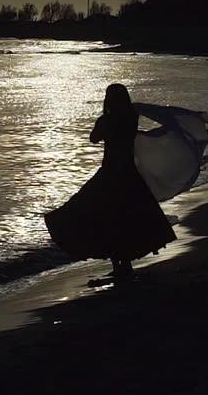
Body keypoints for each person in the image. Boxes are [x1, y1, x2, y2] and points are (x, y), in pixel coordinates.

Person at [44, 84, 179, 279]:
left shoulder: (107, 120)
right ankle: (126, 262)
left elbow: (93, 139)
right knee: (129, 216)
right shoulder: (132, 117)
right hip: (129, 173)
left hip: (110, 173)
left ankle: (118, 263)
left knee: (105, 215)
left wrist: (103, 120)